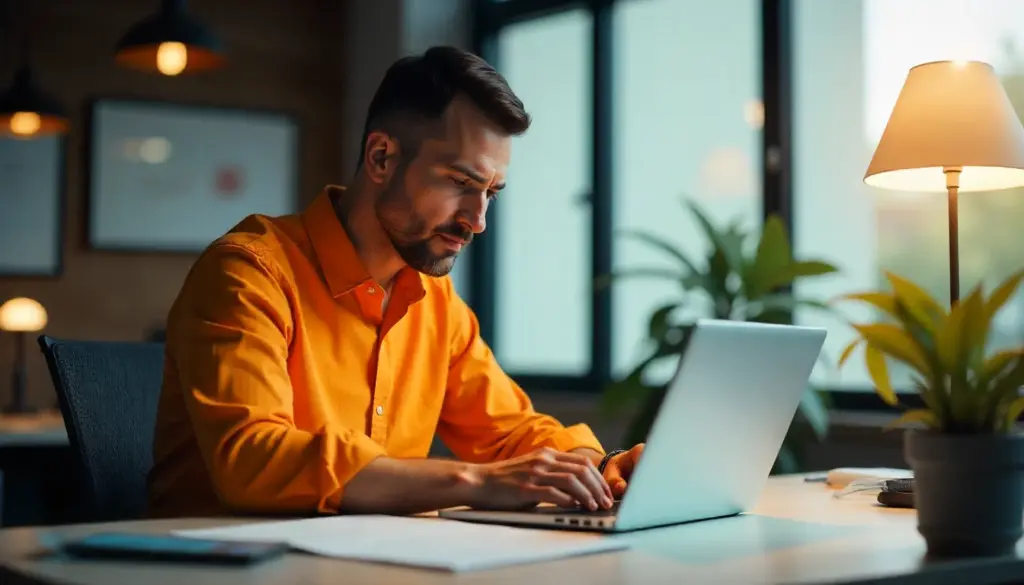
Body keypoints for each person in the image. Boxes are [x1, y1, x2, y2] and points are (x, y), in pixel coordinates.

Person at [146, 46, 644, 519]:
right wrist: (476, 481)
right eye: (460, 183)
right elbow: (252, 459)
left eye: (491, 193)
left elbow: (509, 432)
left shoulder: (435, 301)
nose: (478, 220)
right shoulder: (249, 273)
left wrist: (602, 471)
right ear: (381, 157)